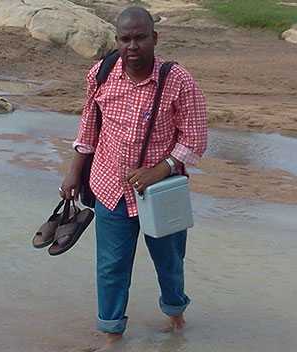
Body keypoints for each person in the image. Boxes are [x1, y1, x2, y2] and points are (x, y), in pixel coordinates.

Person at [59, 6, 207, 349]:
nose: (132, 46)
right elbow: (89, 127)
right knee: (111, 267)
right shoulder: (101, 74)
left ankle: (175, 315)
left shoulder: (178, 80)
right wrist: (72, 172)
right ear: (117, 40)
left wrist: (161, 169)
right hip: (110, 187)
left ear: (154, 39)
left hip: (162, 195)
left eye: (140, 38)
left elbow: (195, 138)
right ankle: (112, 335)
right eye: (125, 39)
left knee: (170, 264)